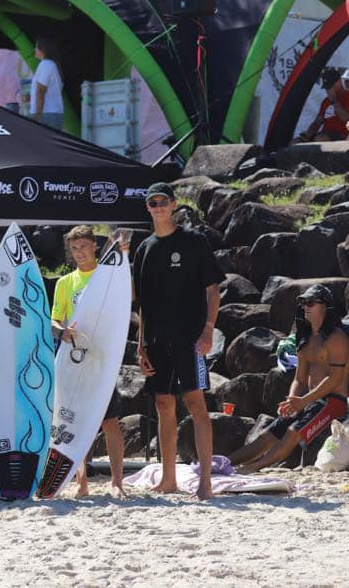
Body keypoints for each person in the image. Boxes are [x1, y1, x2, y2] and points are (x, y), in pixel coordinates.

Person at [133, 182, 222, 500]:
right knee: (163, 404)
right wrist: (140, 345)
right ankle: (168, 479)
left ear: (174, 204)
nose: (156, 206)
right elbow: (141, 303)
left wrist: (209, 328)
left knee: (196, 404)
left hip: (189, 338)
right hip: (157, 339)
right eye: (151, 202)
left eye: (161, 201)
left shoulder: (193, 241)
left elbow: (213, 289)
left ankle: (206, 482)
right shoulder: (144, 248)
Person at [229, 284, 348, 472]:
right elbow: (299, 379)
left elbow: (334, 379)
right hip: (309, 399)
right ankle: (225, 463)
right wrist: (291, 401)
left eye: (310, 302)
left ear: (324, 306)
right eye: (302, 302)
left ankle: (252, 468)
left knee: (293, 432)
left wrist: (302, 401)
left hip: (333, 401)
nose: (305, 306)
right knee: (269, 433)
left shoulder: (336, 338)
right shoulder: (305, 338)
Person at [50, 225, 127, 498]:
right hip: (75, 360)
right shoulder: (64, 283)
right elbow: (54, 319)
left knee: (110, 421)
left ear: (95, 245)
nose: (79, 253)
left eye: (84, 247)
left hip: (102, 359)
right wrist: (62, 332)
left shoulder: (109, 277)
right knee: (73, 422)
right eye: (74, 248)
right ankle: (81, 481)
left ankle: (117, 481)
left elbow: (123, 307)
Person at [295, 67, 349, 143]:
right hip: (324, 135)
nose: (328, 89)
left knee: (319, 139)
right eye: (326, 87)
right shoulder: (326, 101)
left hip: (341, 136)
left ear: (339, 82)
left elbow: (346, 119)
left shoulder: (347, 96)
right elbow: (317, 122)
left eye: (330, 86)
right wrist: (308, 134)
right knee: (295, 142)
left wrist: (334, 101)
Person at [30, 36, 65, 129]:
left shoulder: (45, 64)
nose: (35, 50)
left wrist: (38, 114)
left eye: (36, 47)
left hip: (46, 114)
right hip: (55, 114)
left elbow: (41, 90)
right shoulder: (53, 65)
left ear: (43, 50)